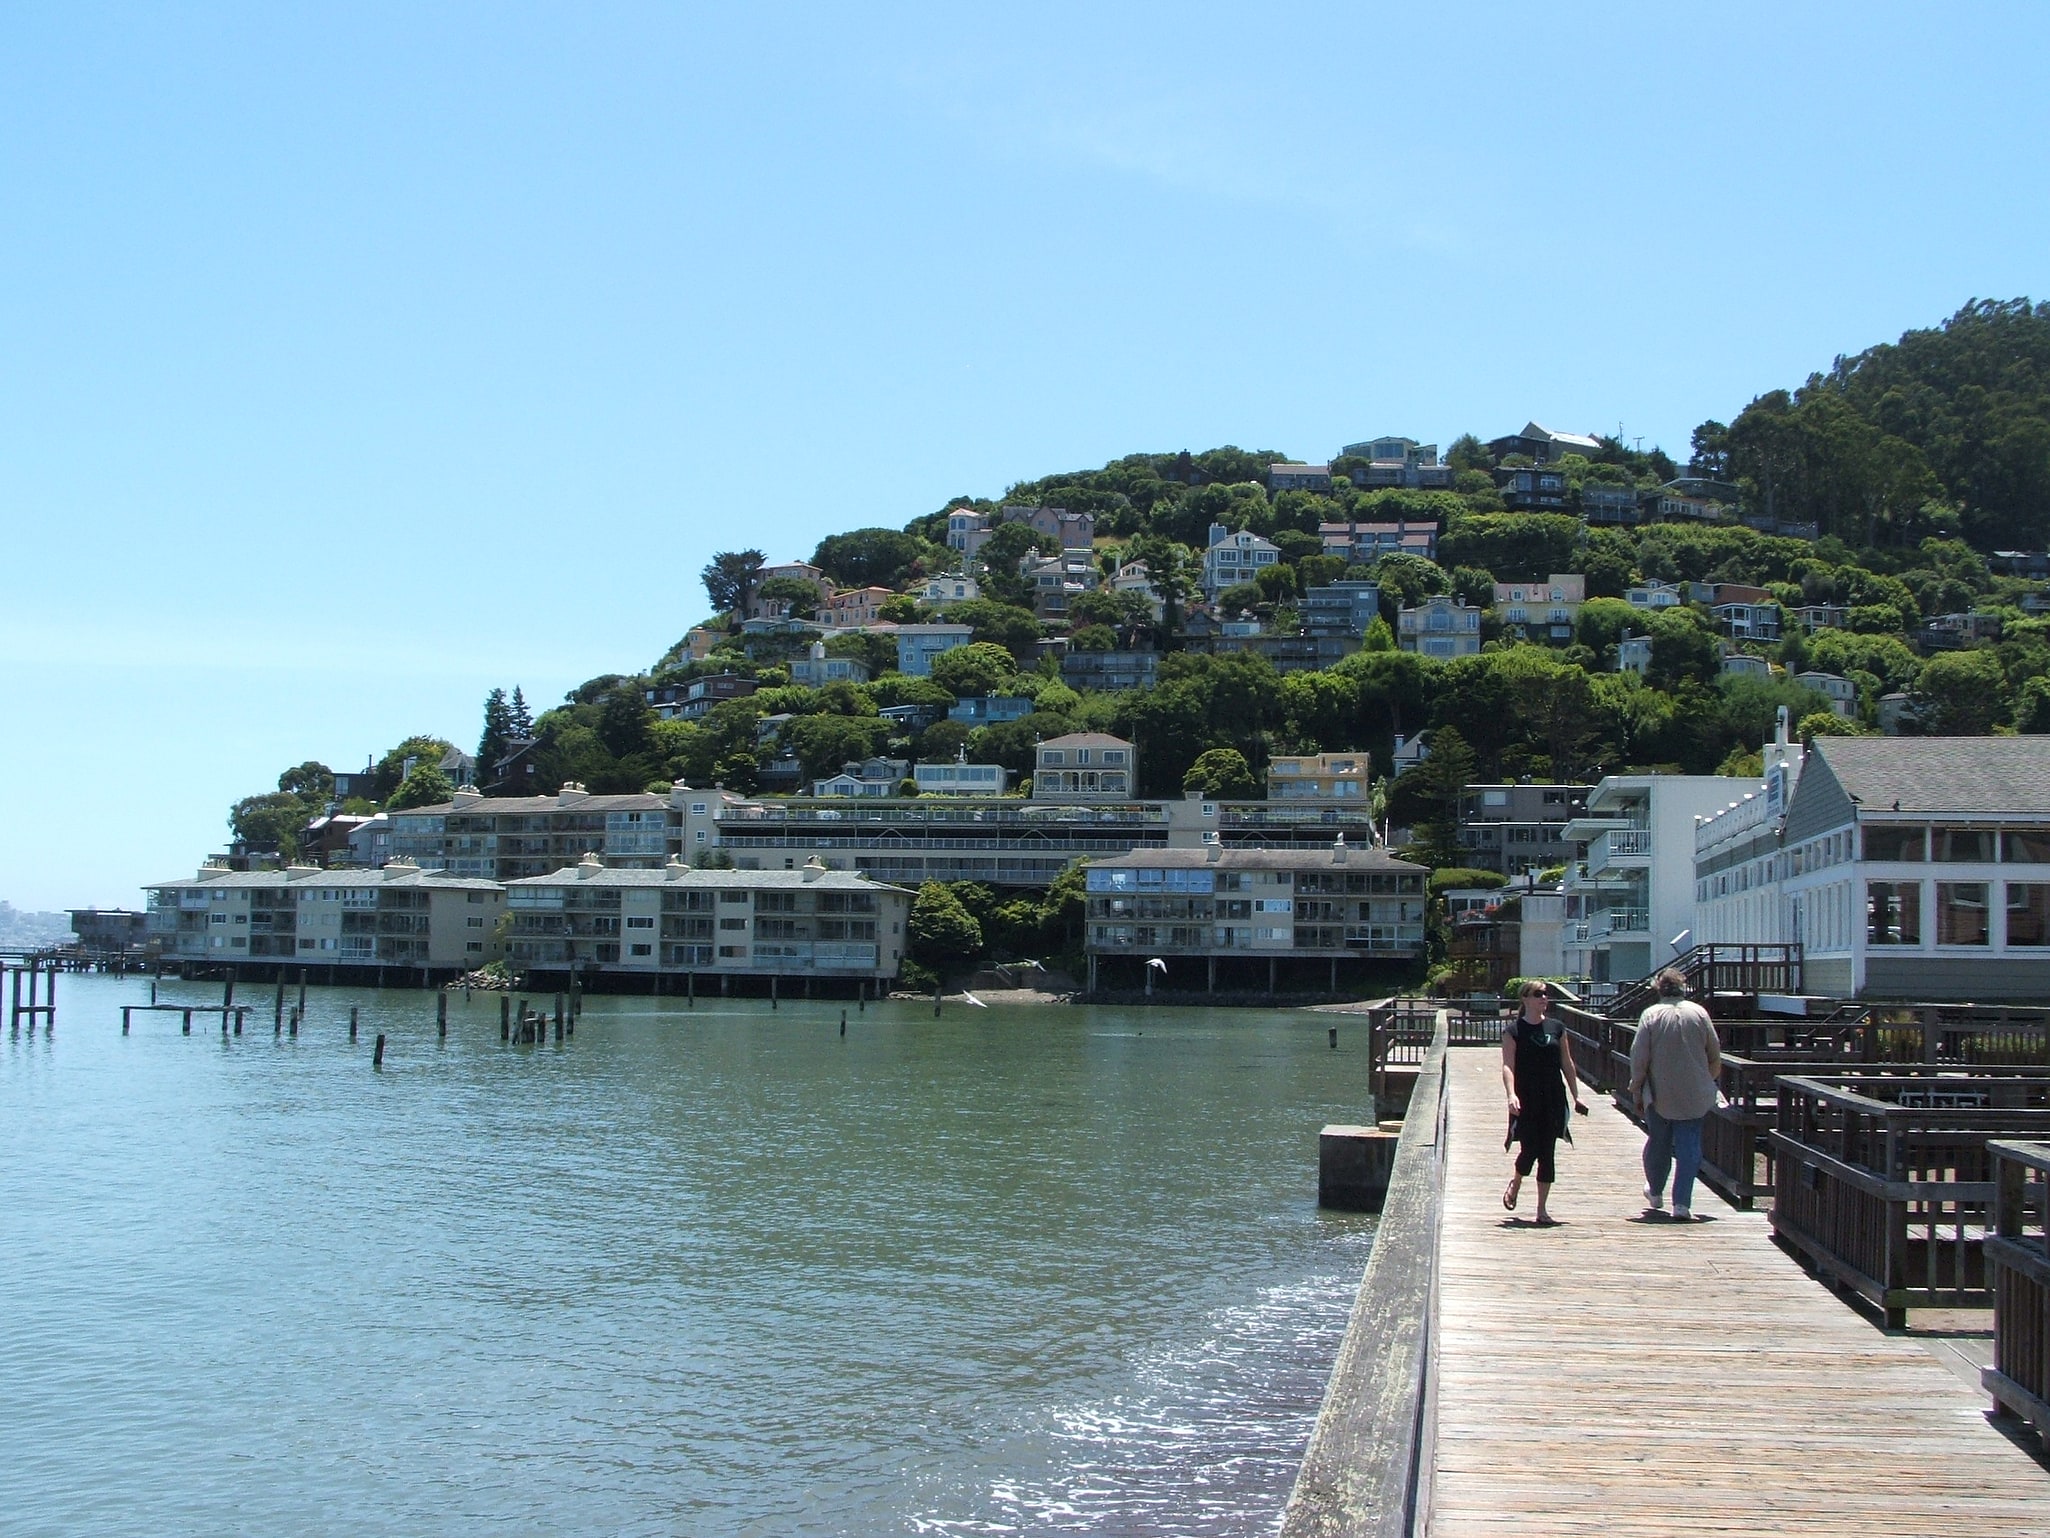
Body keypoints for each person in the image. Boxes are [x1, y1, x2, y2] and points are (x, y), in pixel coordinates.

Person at [1629, 968, 1722, 1221]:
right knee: (1689, 1145)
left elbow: (1640, 1058)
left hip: (1659, 1092)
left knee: (1658, 1141)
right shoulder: (1699, 1013)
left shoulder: (1651, 1015)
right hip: (1694, 1091)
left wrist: (1636, 1088)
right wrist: (1705, 1082)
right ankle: (1682, 1203)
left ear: (1659, 989)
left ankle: (1656, 1192)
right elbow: (1715, 1056)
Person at [1501, 981, 1587, 1225]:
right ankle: (1516, 1182)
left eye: (1545, 994)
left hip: (1553, 1097)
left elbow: (1567, 1064)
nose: (1543, 998)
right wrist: (1511, 1094)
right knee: (1529, 1150)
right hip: (1526, 1098)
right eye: (1538, 994)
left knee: (1547, 1151)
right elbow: (1508, 1066)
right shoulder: (1514, 1030)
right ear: (1525, 999)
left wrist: (1576, 1094)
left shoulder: (1556, 1028)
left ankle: (1541, 1209)